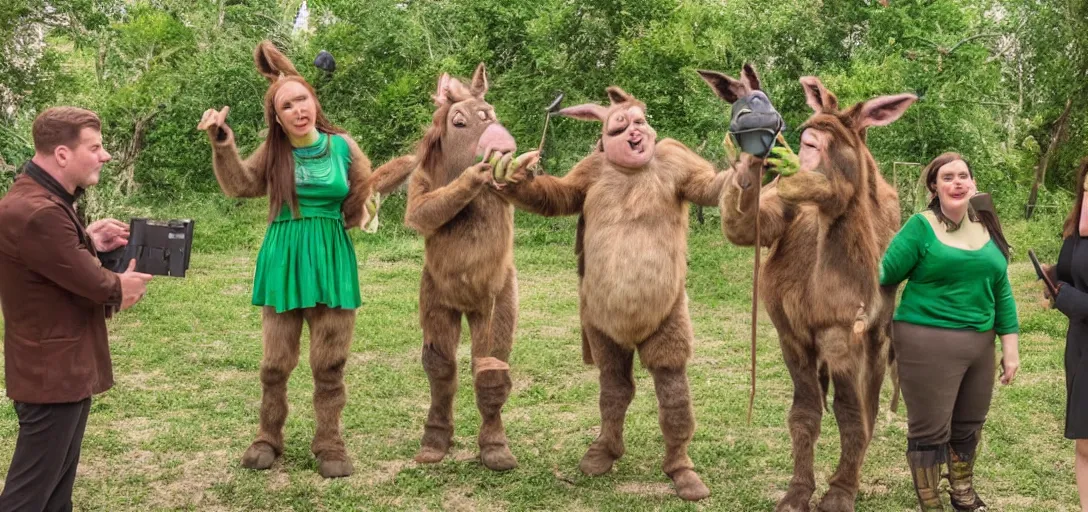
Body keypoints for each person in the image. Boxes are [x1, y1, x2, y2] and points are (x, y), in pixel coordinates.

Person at [197, 40, 376, 478]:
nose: (299, 109)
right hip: (284, 257)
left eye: (303, 100)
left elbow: (360, 200)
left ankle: (329, 442)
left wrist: (359, 212)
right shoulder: (274, 152)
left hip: (331, 257)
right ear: (277, 117)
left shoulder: (344, 147)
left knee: (329, 362)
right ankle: (268, 435)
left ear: (314, 102)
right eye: (288, 105)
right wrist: (223, 145)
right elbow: (241, 186)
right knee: (275, 363)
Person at [0, 106, 153, 511]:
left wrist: (87, 238)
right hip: (52, 372)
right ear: (63, 154)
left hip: (56, 367)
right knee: (30, 495)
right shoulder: (41, 211)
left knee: (55, 493)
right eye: (96, 147)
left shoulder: (39, 199)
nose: (104, 155)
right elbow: (96, 284)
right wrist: (123, 286)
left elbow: (48, 259)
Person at [880, 152, 1020, 511]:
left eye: (963, 176)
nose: (957, 182)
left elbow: (1001, 287)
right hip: (927, 340)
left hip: (979, 345)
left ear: (972, 183)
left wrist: (1010, 346)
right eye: (947, 177)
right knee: (930, 429)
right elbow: (883, 273)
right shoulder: (920, 227)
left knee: (969, 423)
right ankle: (931, 503)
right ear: (934, 186)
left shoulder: (986, 225)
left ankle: (963, 494)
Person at [1042, 156, 1088, 512]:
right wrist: (1054, 278)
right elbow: (1072, 274)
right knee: (1085, 442)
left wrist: (1069, 299)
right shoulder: (1076, 231)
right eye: (1086, 188)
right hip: (1080, 346)